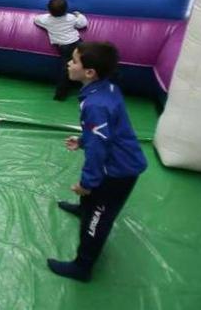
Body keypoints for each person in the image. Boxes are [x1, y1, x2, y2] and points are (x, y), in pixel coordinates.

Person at [48, 42, 147, 282]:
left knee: (97, 219)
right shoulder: (106, 89)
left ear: (90, 72)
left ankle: (82, 267)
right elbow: (105, 132)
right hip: (119, 158)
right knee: (91, 207)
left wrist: (87, 184)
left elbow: (98, 150)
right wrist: (83, 140)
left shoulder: (95, 104)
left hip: (118, 172)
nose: (69, 64)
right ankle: (84, 209)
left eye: (74, 61)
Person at [34, 0, 88, 100]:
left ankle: (60, 94)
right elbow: (83, 24)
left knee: (66, 68)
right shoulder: (71, 17)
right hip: (77, 43)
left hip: (63, 47)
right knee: (85, 64)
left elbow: (36, 19)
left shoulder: (46, 19)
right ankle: (88, 89)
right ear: (66, 9)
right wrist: (79, 15)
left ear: (49, 10)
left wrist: (47, 15)